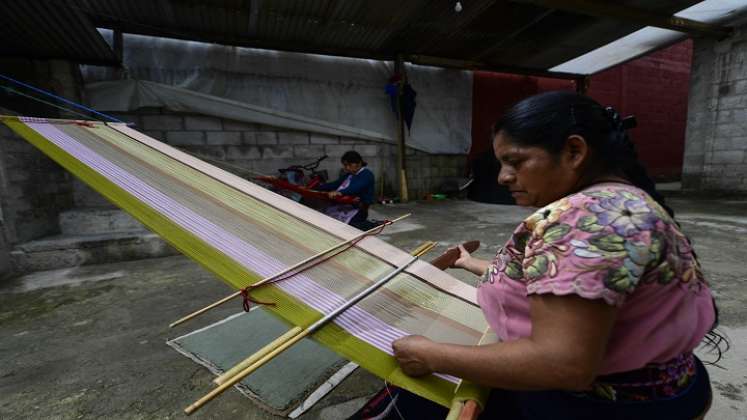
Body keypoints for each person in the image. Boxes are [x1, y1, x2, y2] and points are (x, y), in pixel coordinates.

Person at [385, 91, 720, 419]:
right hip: (670, 387)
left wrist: (431, 355)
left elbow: (562, 364)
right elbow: (565, 280)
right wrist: (469, 263)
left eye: (515, 161)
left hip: (606, 405)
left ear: (574, 151)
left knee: (417, 400)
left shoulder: (587, 220)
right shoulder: (623, 202)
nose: (503, 177)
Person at [315, 150, 376, 230]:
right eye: (345, 165)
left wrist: (340, 192)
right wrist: (318, 187)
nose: (347, 168)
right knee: (325, 217)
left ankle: (371, 225)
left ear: (359, 163)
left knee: (350, 228)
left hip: (358, 209)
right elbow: (335, 184)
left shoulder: (367, 174)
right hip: (344, 205)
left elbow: (356, 187)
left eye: (349, 165)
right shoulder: (349, 175)